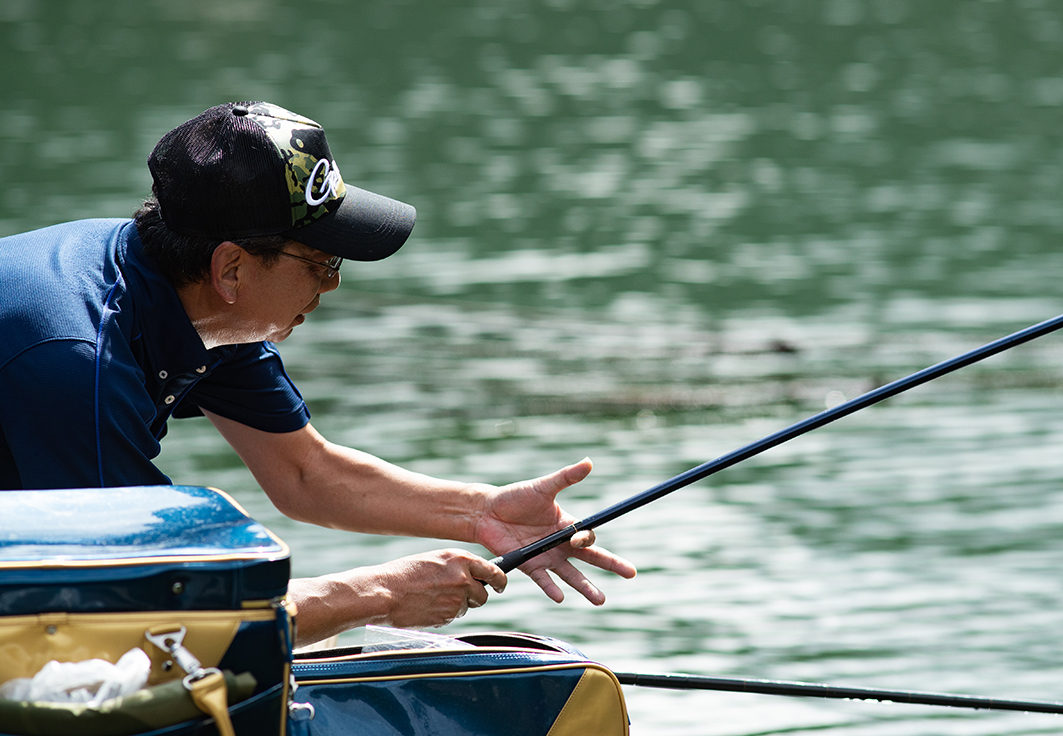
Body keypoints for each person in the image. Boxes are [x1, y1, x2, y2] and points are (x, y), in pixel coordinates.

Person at [0, 101, 635, 646]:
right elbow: (141, 612)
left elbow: (306, 472)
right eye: (323, 262)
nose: (331, 286)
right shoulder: (77, 360)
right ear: (232, 269)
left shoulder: (197, 297)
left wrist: (482, 513)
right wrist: (374, 595)